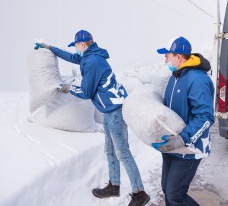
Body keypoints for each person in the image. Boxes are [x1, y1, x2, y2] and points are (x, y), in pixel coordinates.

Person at [34, 30, 150, 206]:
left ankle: (139, 193)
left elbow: (86, 92)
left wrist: (67, 88)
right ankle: (114, 185)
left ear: (82, 44)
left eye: (76, 46)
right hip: (109, 109)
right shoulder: (91, 55)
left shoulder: (92, 61)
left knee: (122, 152)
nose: (76, 50)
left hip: (115, 110)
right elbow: (72, 57)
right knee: (110, 151)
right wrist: (49, 47)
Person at [152, 37, 215, 206]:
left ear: (178, 56)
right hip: (172, 145)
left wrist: (182, 139)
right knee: (167, 189)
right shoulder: (175, 77)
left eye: (167, 56)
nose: (165, 60)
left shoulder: (198, 79)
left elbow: (205, 117)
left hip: (190, 147)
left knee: (175, 196)